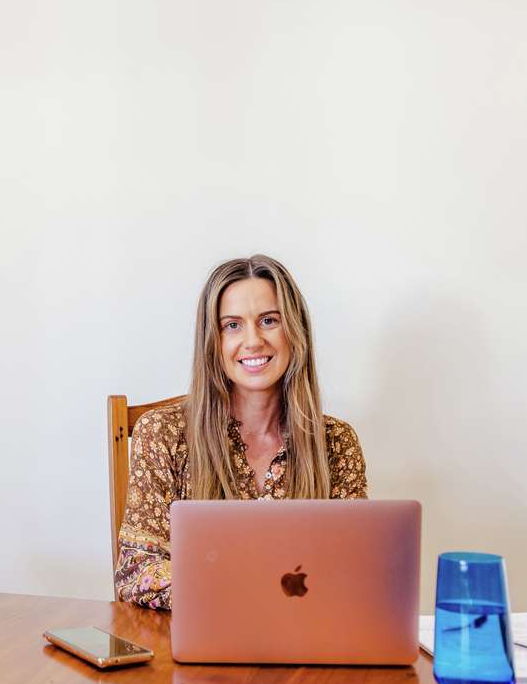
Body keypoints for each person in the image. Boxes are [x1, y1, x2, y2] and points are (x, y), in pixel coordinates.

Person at [115, 254, 368, 609]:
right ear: (212, 341)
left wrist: (227, 585)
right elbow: (136, 572)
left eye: (268, 320)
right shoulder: (163, 434)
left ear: (295, 332)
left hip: (303, 646)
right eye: (232, 325)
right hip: (196, 648)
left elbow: (355, 572)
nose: (252, 341)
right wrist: (251, 590)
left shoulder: (337, 443)